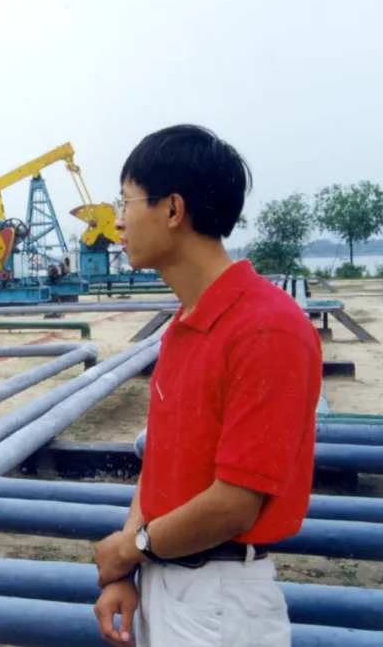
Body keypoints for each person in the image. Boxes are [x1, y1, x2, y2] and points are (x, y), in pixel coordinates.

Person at [92, 125, 322, 647]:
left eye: (126, 201)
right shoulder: (186, 324)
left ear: (173, 210)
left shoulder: (267, 329)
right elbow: (160, 465)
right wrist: (128, 568)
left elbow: (234, 504)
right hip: (166, 575)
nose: (118, 220)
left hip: (219, 600)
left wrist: (130, 548)